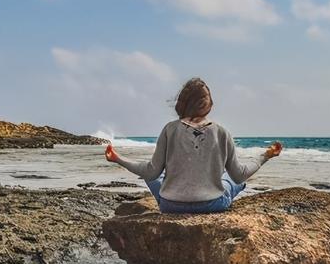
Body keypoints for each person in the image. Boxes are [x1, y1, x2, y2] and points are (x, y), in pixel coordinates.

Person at [104, 77, 282, 213]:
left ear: (182, 103)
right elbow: (240, 174)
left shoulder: (169, 129)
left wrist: (118, 158)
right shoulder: (222, 132)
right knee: (231, 179)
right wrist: (265, 155)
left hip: (171, 206)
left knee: (152, 174)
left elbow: (151, 172)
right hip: (212, 205)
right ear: (210, 104)